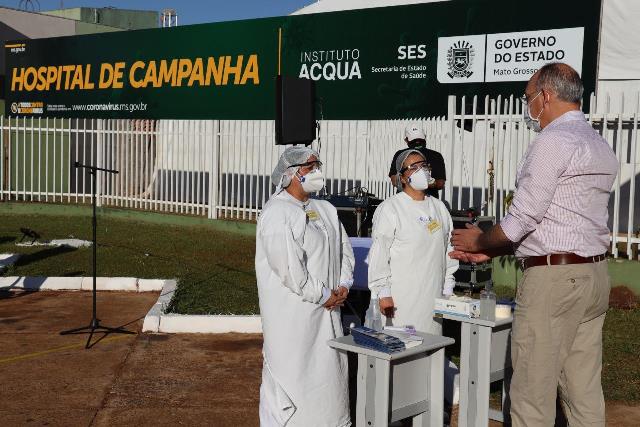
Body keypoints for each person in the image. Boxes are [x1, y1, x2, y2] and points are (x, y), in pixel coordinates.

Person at [450, 63, 618, 427]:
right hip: (593, 275)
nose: (528, 107)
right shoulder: (599, 144)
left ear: (545, 95)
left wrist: (482, 239)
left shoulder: (552, 142)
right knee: (583, 389)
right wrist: (495, 249)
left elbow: (523, 219)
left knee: (531, 395)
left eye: (528, 98)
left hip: (553, 282)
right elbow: (562, 221)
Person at [255, 146, 355, 427]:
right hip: (293, 322)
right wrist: (323, 294)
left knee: (330, 382)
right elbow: (288, 269)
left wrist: (344, 285)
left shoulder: (326, 210)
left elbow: (344, 251)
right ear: (290, 174)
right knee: (294, 383)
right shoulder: (277, 213)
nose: (316, 171)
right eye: (310, 167)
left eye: (317, 165)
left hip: (329, 314)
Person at [368, 149, 458, 334]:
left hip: (433, 295)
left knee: (430, 347)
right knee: (401, 348)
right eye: (413, 167)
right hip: (400, 298)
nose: (421, 170)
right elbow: (379, 255)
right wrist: (383, 293)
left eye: (424, 166)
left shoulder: (439, 208)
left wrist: (448, 287)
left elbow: (449, 249)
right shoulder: (391, 208)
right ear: (402, 178)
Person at [389, 123, 446, 198]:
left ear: (406, 140)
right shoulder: (436, 155)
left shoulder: (400, 154)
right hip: (425, 202)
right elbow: (440, 184)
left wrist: (410, 181)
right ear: (425, 137)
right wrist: (427, 182)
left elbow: (395, 181)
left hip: (407, 201)